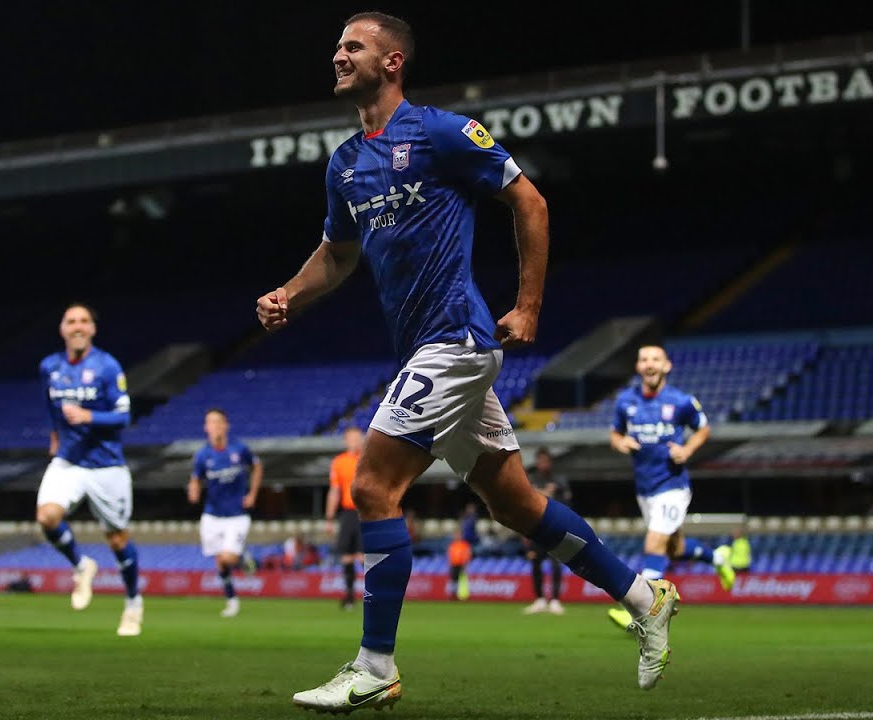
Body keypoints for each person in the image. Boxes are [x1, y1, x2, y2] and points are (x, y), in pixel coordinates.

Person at [255, 13, 680, 711]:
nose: (337, 53)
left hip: (454, 341)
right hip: (426, 350)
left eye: (352, 45)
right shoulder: (345, 164)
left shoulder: (442, 133)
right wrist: (288, 296)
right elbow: (337, 254)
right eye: (336, 43)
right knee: (516, 505)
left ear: (392, 62)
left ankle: (374, 666)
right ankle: (645, 598)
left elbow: (529, 201)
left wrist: (530, 305)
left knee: (370, 488)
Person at [606, 346, 735, 630]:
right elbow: (615, 433)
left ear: (667, 366)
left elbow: (703, 428)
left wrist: (687, 449)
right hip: (645, 488)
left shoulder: (681, 401)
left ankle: (640, 612)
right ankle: (717, 557)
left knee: (654, 543)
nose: (649, 364)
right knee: (673, 548)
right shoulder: (625, 401)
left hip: (672, 485)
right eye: (644, 359)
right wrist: (620, 443)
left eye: (655, 359)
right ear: (638, 367)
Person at [36, 302, 143, 637]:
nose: (78, 326)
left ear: (93, 329)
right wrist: (56, 436)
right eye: (71, 321)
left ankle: (132, 604)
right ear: (62, 329)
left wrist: (88, 417)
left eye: (84, 321)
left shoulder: (108, 366)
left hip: (106, 466)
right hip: (68, 460)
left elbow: (124, 417)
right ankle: (82, 567)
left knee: (116, 538)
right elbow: (51, 408)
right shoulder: (49, 367)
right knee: (47, 517)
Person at [188, 408, 262, 618]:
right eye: (210, 423)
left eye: (218, 422)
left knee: (228, 558)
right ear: (206, 428)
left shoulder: (239, 449)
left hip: (236, 515)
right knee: (220, 561)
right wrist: (193, 489)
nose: (214, 427)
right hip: (212, 515)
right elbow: (196, 477)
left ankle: (246, 559)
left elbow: (257, 467)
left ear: (225, 425)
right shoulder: (203, 455)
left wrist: (253, 494)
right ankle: (231, 600)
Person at [521, 447, 571, 615]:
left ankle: (555, 600)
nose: (543, 464)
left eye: (546, 460)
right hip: (535, 529)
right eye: (540, 460)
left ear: (550, 462)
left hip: (555, 529)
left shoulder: (559, 481)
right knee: (535, 563)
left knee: (556, 564)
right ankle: (540, 599)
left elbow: (567, 504)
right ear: (537, 462)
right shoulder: (531, 480)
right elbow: (525, 502)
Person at [326, 425, 364, 609]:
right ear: (346, 440)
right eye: (352, 438)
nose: (355, 441)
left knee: (364, 556)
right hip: (348, 513)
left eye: (358, 438)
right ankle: (349, 596)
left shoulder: (368, 460)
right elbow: (334, 490)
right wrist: (329, 517)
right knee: (347, 556)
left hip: (366, 512)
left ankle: (372, 595)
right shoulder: (339, 462)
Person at [446, 530, 471, 601]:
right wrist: (450, 564)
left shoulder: (465, 544)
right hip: (454, 565)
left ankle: (463, 596)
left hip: (462, 565)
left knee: (462, 581)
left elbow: (467, 555)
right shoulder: (452, 545)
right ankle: (453, 595)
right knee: (453, 580)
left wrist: (465, 564)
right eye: (456, 535)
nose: (457, 536)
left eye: (458, 535)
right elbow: (450, 555)